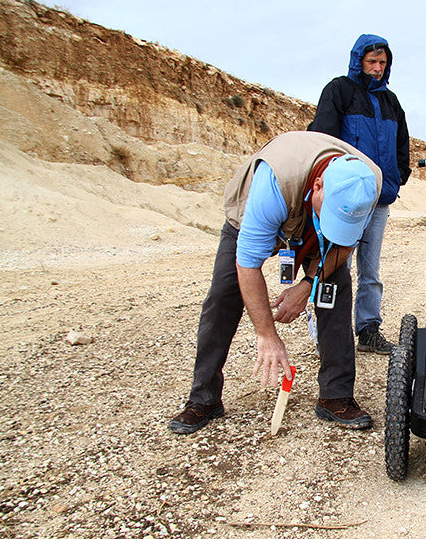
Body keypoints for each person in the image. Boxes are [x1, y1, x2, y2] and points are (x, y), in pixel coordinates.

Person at [169, 131, 382, 435]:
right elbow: (248, 265)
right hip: (259, 211)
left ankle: (335, 395)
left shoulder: (367, 183)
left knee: (335, 290)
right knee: (223, 296)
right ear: (318, 185)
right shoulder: (274, 182)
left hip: (312, 213)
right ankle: (204, 398)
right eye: (332, 213)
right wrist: (267, 335)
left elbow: (345, 245)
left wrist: (307, 284)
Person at [307, 34, 411, 355]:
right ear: (358, 61)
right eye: (371, 62)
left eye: (382, 63)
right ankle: (329, 335)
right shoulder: (339, 90)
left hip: (380, 199)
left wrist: (397, 177)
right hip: (346, 199)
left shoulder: (391, 103)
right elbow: (322, 136)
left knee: (371, 269)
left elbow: (402, 147)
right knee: (336, 264)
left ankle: (368, 330)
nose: (377, 69)